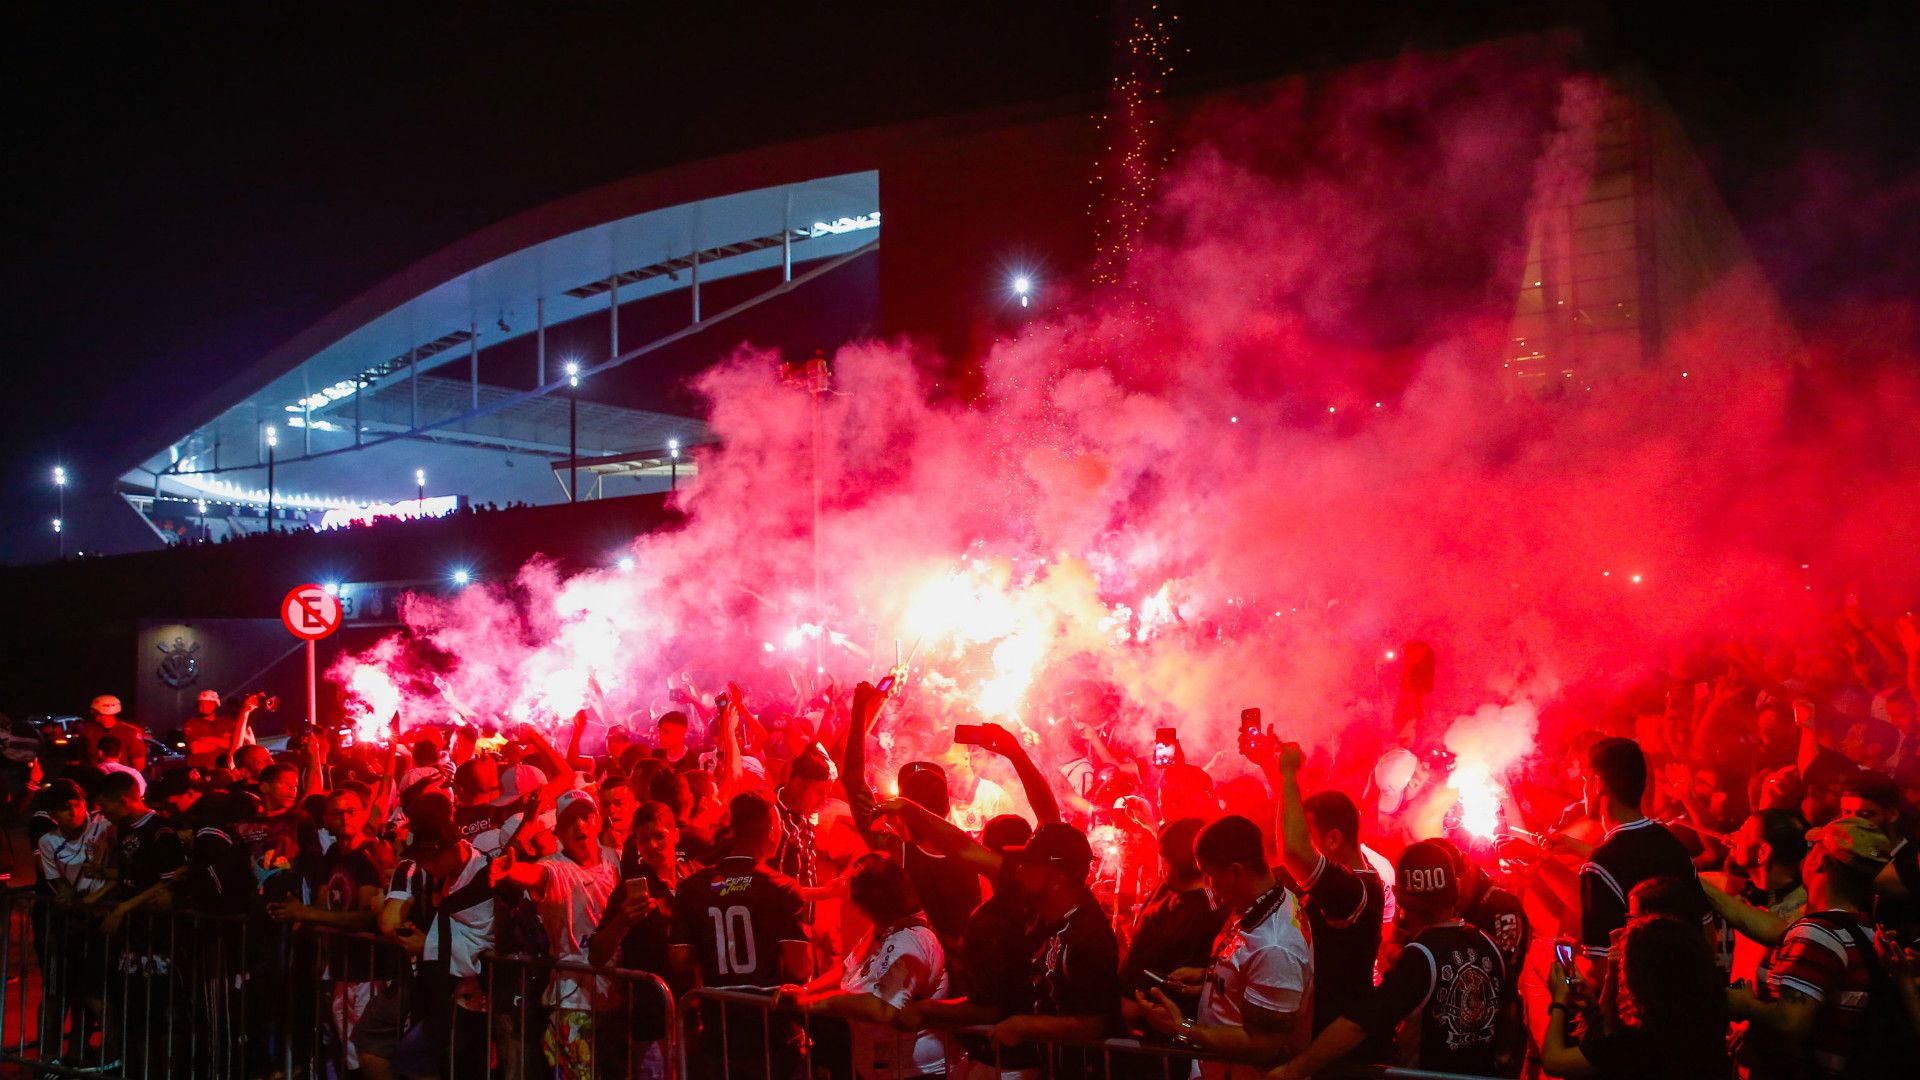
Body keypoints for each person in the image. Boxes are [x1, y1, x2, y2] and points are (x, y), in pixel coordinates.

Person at [1272, 840, 1505, 1079]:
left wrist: (1293, 1070)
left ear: (1399, 898)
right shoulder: (1490, 945)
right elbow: (1510, 1026)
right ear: (1456, 887)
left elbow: (1360, 1023)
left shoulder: (1421, 956)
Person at [1728, 814, 1915, 1079]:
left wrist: (1745, 1005)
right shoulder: (1867, 930)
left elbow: (1792, 1022)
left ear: (1819, 862)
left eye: (1814, 847)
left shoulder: (1816, 934)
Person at [1133, 814, 1311, 1079]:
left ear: (1236, 871)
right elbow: (1249, 970)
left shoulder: (1275, 947)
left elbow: (1262, 1046)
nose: (1207, 885)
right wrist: (1209, 977)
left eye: (1209, 875)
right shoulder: (1264, 899)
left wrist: (1181, 1028)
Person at [1249, 738, 1385, 1045]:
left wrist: (1289, 774)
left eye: (1308, 836)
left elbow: (1294, 852)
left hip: (1337, 1042)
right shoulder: (1345, 884)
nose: (1299, 840)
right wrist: (1274, 772)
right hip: (1318, 1033)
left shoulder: (1355, 891)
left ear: (1333, 839)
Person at [777, 854, 956, 1080]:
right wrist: (806, 990)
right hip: (883, 1067)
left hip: (915, 1072)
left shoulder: (910, 939)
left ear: (861, 905)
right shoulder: (883, 930)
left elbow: (882, 1007)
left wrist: (814, 1003)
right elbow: (848, 969)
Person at [670, 792, 811, 1076]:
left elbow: (679, 959)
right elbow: (799, 968)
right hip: (772, 1035)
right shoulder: (782, 888)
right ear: (772, 832)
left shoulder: (692, 888)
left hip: (718, 1032)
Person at [495, 791, 622, 1080]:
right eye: (569, 821)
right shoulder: (555, 867)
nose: (580, 825)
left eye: (586, 816)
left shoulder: (614, 860)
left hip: (614, 998)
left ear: (598, 820)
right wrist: (510, 869)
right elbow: (531, 875)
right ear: (559, 832)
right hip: (572, 1002)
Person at [987, 822, 1119, 1080]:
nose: (1019, 872)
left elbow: (1093, 1023)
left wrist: (1022, 1026)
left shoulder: (1087, 936)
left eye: (1029, 866)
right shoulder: (1046, 920)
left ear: (1057, 880)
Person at [1570, 737, 1702, 983]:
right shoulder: (1673, 846)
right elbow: (1707, 934)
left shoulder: (1599, 866)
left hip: (1636, 1002)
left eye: (1586, 781)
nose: (1584, 791)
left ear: (1599, 784)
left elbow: (1603, 972)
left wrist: (1567, 976)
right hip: (1691, 994)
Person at [1539, 914, 1731, 1079]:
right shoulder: (1700, 1018)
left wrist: (1559, 1001)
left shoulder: (1640, 1040)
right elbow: (1607, 1039)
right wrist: (1591, 1009)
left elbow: (1553, 1061)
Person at [77, 694, 147, 772]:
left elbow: (139, 765)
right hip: (94, 777)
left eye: (94, 711)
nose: (92, 713)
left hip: (120, 778)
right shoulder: (87, 731)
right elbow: (81, 758)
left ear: (102, 711)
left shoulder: (130, 733)